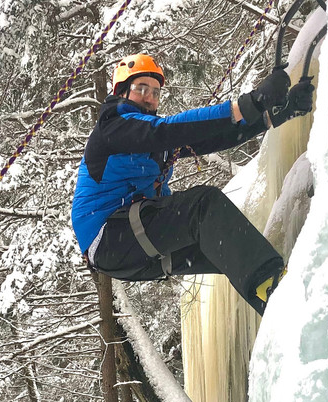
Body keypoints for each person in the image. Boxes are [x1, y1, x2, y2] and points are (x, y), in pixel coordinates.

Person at [71, 53, 313, 315]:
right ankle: (275, 288)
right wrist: (249, 103)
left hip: (127, 249)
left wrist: (272, 116)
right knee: (203, 206)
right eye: (141, 89)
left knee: (224, 246)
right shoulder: (114, 126)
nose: (150, 98)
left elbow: (214, 138)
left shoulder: (150, 138)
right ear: (122, 92)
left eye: (155, 92)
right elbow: (165, 130)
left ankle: (279, 310)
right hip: (109, 237)